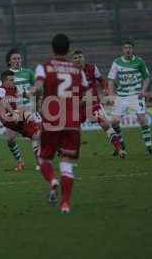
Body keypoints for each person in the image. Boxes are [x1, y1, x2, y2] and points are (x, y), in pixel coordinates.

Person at [33, 33, 87, 213]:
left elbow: (39, 87)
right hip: (72, 121)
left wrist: (32, 92)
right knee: (66, 164)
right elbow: (85, 96)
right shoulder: (78, 69)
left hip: (52, 119)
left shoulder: (44, 66)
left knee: (43, 158)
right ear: (68, 49)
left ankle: (52, 180)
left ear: (52, 48)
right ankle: (65, 204)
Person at [72, 50, 125, 158]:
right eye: (75, 57)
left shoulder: (92, 68)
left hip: (93, 103)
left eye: (80, 57)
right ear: (73, 60)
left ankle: (120, 150)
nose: (78, 59)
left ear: (84, 58)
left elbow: (102, 80)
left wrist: (105, 88)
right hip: (79, 106)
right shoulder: (70, 73)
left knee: (105, 124)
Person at [107, 40, 152, 155]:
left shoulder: (140, 61)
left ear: (133, 49)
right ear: (123, 50)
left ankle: (149, 147)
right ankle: (122, 143)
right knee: (114, 122)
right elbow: (111, 80)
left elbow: (146, 78)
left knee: (142, 118)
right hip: (122, 96)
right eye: (125, 48)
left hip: (136, 95)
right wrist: (112, 95)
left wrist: (143, 90)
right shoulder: (117, 62)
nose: (128, 50)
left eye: (130, 48)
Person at [0, 70, 41, 172]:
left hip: (16, 118)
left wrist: (34, 95)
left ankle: (33, 162)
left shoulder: (15, 88)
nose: (13, 82)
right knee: (26, 112)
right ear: (4, 81)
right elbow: (3, 102)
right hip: (8, 117)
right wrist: (14, 112)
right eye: (11, 80)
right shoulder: (0, 90)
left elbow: (24, 95)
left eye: (13, 80)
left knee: (35, 136)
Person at [3, 48, 40, 170]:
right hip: (14, 111)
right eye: (14, 59)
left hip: (28, 108)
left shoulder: (28, 73)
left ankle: (39, 163)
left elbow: (37, 88)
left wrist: (32, 94)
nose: (17, 61)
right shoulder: (6, 76)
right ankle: (19, 161)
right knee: (10, 139)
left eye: (18, 58)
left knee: (35, 135)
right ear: (9, 62)